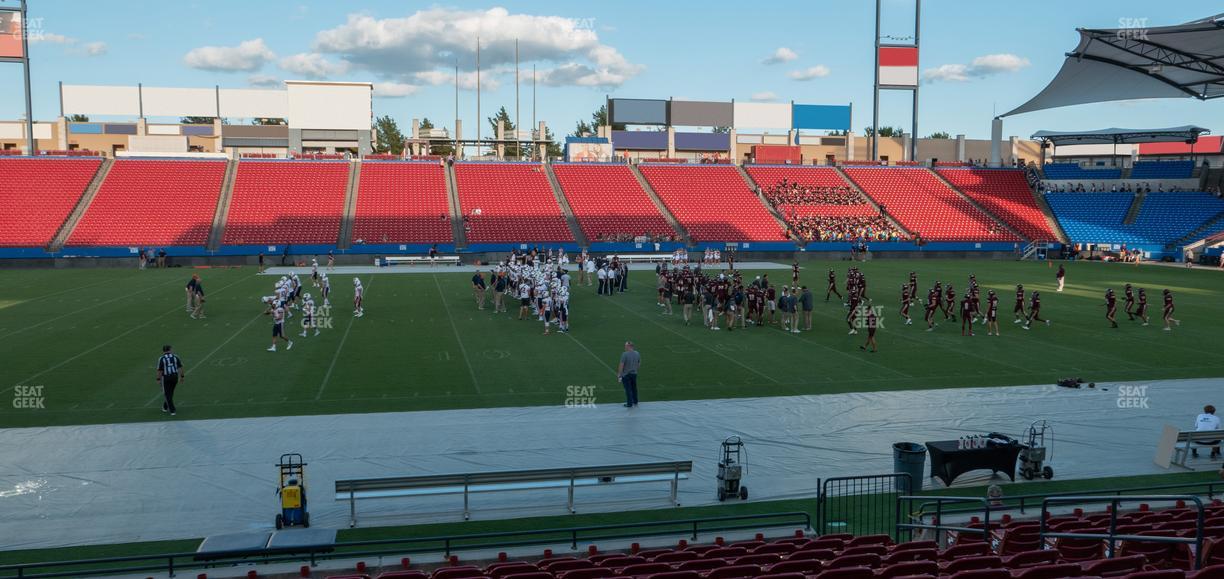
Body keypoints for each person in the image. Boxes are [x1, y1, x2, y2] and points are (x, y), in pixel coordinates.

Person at [156, 345, 183, 416]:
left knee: (167, 394)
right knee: (170, 393)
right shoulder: (175, 357)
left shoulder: (161, 358)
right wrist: (181, 376)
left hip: (166, 378)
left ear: (163, 351)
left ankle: (172, 410)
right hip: (174, 377)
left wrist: (158, 379)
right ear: (170, 350)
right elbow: (180, 367)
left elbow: (160, 370)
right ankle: (165, 407)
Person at [617, 341, 641, 408]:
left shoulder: (624, 354)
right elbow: (639, 364)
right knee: (634, 388)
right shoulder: (637, 353)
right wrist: (635, 370)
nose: (625, 347)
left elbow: (621, 365)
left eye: (626, 346)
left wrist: (619, 374)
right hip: (634, 374)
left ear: (629, 346)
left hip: (626, 375)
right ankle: (635, 401)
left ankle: (629, 403)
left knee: (628, 389)